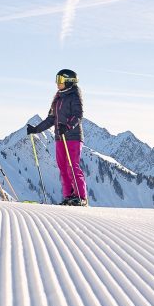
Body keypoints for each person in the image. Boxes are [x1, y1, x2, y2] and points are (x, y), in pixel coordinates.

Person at [27, 68, 88, 206]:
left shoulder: (74, 96)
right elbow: (51, 119)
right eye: (57, 79)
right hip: (59, 137)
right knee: (62, 167)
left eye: (60, 80)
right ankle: (68, 196)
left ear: (69, 82)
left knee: (72, 166)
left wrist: (67, 126)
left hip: (72, 136)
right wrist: (36, 129)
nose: (57, 83)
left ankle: (80, 196)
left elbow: (78, 116)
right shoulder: (58, 98)